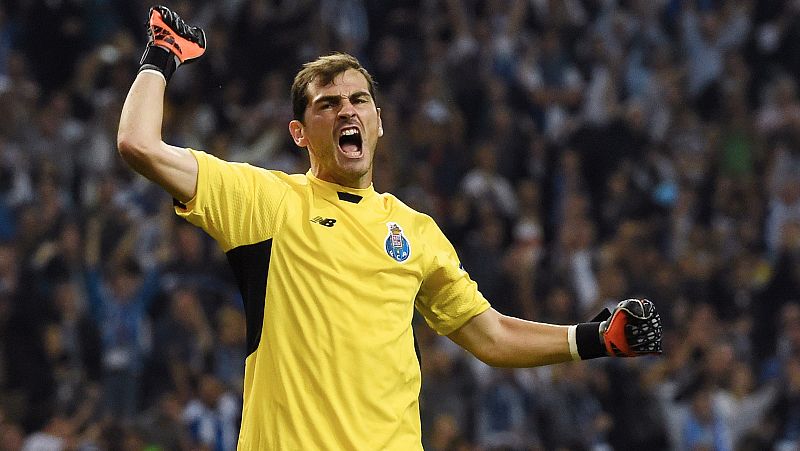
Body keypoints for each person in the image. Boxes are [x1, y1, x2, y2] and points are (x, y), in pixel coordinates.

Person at [117, 6, 663, 449]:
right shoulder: (267, 203)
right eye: (327, 105)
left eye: (359, 100)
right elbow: (139, 144)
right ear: (299, 133)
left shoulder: (416, 231)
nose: (347, 111)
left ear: (379, 121)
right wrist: (161, 55)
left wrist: (596, 339)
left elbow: (491, 336)